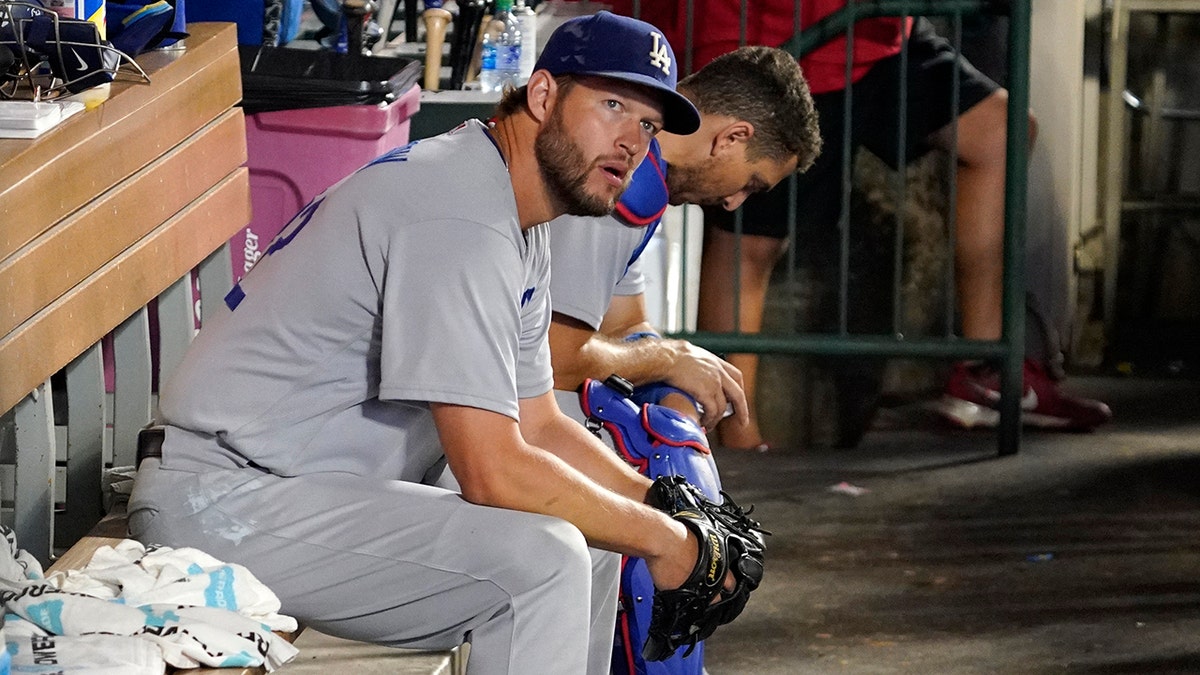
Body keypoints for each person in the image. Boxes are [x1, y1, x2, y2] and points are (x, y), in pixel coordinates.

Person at [126, 12, 728, 675]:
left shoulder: (511, 203)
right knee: (544, 562)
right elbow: (492, 470)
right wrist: (667, 541)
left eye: (646, 124)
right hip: (221, 500)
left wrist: (663, 508)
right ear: (544, 96)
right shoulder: (462, 213)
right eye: (612, 105)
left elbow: (539, 423)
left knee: (591, 530)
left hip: (296, 488)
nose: (630, 141)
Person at [623, 1, 1111, 447]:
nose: (727, 201)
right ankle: (738, 438)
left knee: (1002, 130)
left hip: (877, 32)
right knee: (749, 242)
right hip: (785, 35)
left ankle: (985, 372)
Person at [547, 45, 821, 437]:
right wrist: (667, 361)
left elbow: (625, 324)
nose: (733, 202)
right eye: (751, 183)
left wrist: (677, 389)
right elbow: (553, 358)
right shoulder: (611, 177)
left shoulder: (647, 179)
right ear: (732, 137)